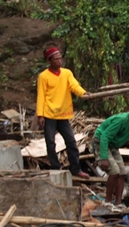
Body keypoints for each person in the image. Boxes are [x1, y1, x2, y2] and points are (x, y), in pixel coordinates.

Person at [37, 46, 92, 179]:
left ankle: (76, 169)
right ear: (49, 60)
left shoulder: (67, 73)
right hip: (49, 114)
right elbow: (41, 96)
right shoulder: (43, 76)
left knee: (71, 142)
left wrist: (83, 93)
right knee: (50, 143)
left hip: (63, 114)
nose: (59, 61)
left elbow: (74, 86)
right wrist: (40, 115)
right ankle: (56, 167)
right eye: (56, 59)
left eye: (60, 58)